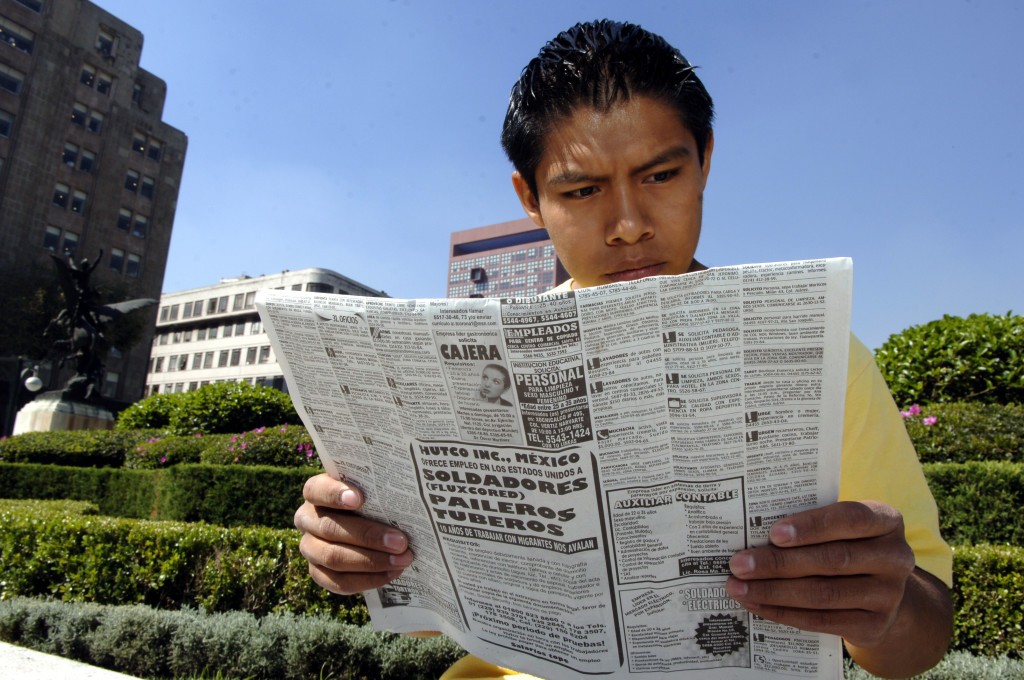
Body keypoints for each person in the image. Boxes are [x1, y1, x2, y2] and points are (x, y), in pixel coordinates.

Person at [294, 19, 952, 679]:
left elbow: (920, 641)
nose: (629, 225)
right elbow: (421, 613)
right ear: (530, 198)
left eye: (661, 174)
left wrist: (888, 603)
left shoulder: (825, 357)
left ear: (706, 161)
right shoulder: (471, 362)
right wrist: (353, 551)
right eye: (581, 191)